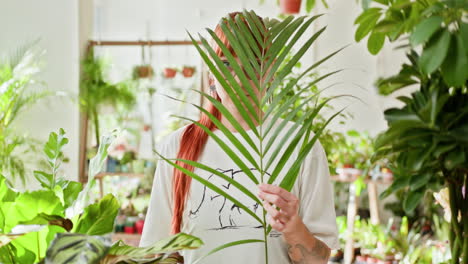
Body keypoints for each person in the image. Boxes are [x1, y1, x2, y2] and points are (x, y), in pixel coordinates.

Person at [140, 11, 339, 264]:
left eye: (252, 65)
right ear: (211, 73)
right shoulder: (178, 147)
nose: (237, 77)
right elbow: (156, 253)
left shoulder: (299, 145)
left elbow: (319, 260)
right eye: (225, 64)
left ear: (270, 73)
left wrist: (293, 226)